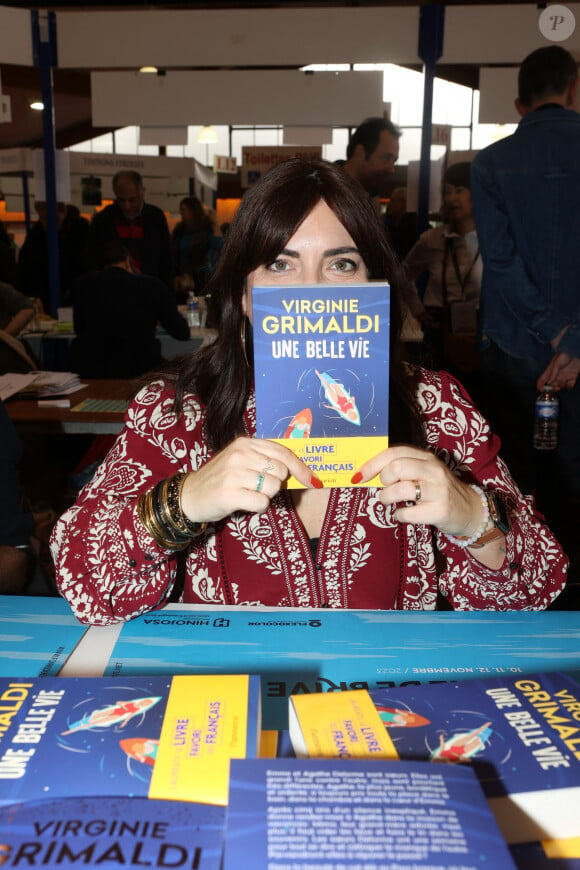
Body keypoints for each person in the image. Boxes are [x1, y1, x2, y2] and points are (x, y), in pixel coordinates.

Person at [51, 158, 567, 626]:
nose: (312, 287)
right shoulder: (176, 411)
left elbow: (533, 589)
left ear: (374, 286)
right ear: (242, 293)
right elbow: (86, 586)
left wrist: (474, 517)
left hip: (384, 710)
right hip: (229, 709)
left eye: (341, 263)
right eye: (280, 263)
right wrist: (182, 503)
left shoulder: (434, 407)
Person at [471, 45, 580, 598]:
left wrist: (553, 331)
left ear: (519, 103)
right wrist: (574, 337)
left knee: (517, 484)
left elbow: (503, 263)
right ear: (574, 88)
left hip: (513, 351)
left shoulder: (490, 163)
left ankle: (532, 599)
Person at [401, 162, 482, 385]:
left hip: (483, 328)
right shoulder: (433, 239)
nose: (451, 199)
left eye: (459, 191)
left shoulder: (492, 239)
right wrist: (417, 310)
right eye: (447, 192)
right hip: (440, 330)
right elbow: (402, 275)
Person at [69, 240, 189, 379]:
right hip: (138, 369)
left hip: (90, 370)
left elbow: (79, 329)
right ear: (127, 261)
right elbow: (182, 332)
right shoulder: (151, 285)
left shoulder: (83, 285)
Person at [88, 171, 173, 292]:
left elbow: (166, 261)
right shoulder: (103, 219)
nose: (127, 206)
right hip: (114, 291)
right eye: (121, 200)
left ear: (142, 192)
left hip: (149, 290)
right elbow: (93, 259)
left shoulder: (156, 217)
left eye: (132, 200)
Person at [17, 202, 90, 313]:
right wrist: (35, 297)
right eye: (42, 218)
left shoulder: (81, 232)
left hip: (76, 297)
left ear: (64, 212)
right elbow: (27, 271)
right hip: (47, 299)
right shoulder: (35, 236)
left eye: (53, 218)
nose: (47, 223)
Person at [172, 196, 223, 300]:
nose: (181, 212)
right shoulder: (179, 231)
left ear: (192, 210)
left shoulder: (205, 229)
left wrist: (215, 223)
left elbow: (218, 245)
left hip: (200, 276)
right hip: (182, 277)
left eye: (183, 209)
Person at [342, 117, 400, 196]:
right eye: (386, 158)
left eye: (394, 161)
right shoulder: (325, 193)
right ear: (360, 152)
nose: (391, 170)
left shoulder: (369, 196)